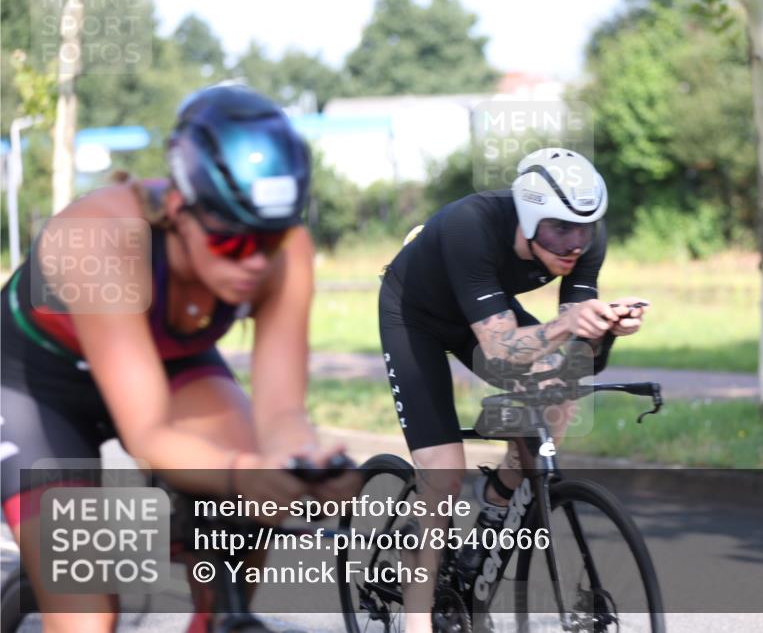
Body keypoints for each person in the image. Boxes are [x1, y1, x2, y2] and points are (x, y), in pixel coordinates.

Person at [0, 84, 356, 633]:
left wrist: (303, 463)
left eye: (270, 238)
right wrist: (237, 474)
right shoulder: (103, 238)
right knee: (86, 612)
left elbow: (282, 414)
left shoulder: (286, 251)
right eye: (232, 242)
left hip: (165, 363)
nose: (254, 263)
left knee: (250, 513)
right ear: (177, 208)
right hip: (35, 384)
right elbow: (148, 434)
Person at [377, 147, 648, 630]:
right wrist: (569, 326)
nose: (573, 245)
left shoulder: (585, 240)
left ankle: (498, 498)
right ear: (527, 218)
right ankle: (417, 620)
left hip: (484, 312)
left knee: (558, 399)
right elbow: (501, 351)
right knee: (442, 477)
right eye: (558, 229)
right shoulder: (471, 225)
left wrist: (604, 330)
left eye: (583, 229)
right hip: (414, 316)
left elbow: (576, 362)